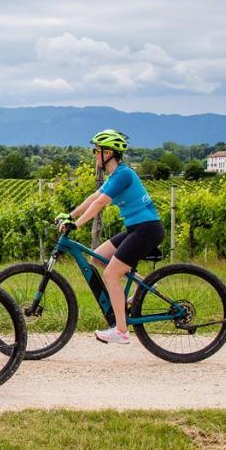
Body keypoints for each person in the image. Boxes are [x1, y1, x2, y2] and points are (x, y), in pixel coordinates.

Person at [56, 129, 164, 345]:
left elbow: (100, 203)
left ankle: (122, 331)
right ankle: (144, 286)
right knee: (97, 257)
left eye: (97, 151)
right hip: (136, 228)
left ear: (109, 153)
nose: (95, 155)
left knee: (111, 274)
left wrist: (76, 225)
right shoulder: (116, 175)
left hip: (147, 229)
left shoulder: (124, 174)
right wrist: (70, 215)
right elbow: (93, 197)